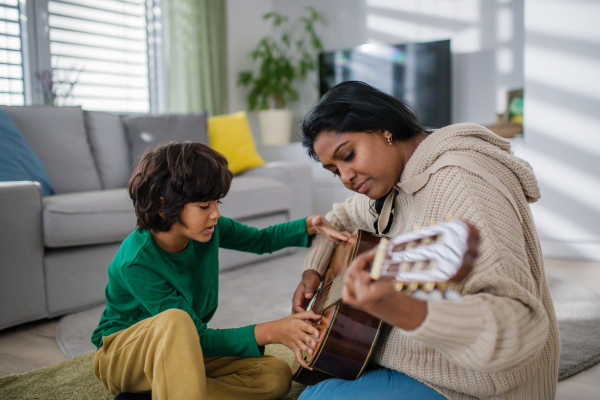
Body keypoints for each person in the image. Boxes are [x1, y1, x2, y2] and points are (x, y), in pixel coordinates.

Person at [292, 81, 559, 400]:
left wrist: (407, 309)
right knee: (304, 376)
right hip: (413, 359)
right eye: (334, 170)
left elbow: (520, 328)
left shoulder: (463, 183)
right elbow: (334, 222)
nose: (346, 176)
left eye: (348, 155)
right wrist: (314, 271)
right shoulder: (390, 183)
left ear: (383, 129)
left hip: (475, 382)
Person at [91, 141, 349, 400]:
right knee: (176, 321)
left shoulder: (207, 230)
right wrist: (272, 331)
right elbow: (195, 335)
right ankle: (168, 389)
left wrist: (309, 225)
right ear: (163, 204)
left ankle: (162, 392)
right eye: (204, 206)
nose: (215, 213)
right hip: (124, 357)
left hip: (184, 352)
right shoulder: (137, 261)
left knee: (274, 375)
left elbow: (260, 240)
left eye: (217, 203)